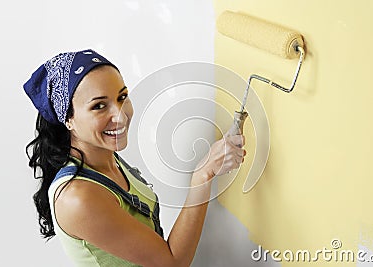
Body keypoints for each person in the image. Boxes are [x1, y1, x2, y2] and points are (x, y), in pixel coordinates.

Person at [24, 49, 246, 267]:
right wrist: (203, 174)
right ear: (68, 119)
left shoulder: (106, 159)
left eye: (122, 97)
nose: (120, 115)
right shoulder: (78, 197)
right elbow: (172, 263)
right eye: (99, 106)